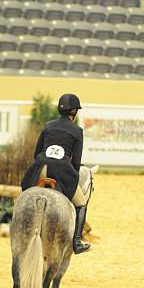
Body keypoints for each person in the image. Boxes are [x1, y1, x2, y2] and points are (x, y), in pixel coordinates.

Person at [21, 93, 91, 255]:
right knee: (81, 203)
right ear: (74, 111)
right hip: (61, 171)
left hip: (40, 168)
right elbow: (76, 163)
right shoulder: (77, 131)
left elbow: (36, 152)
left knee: (25, 197)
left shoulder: (48, 125)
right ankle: (77, 241)